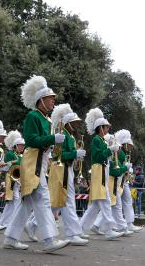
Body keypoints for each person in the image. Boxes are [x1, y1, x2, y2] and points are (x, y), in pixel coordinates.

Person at [2, 75, 69, 252]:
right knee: (43, 199)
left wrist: (53, 142)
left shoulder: (46, 119)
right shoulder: (33, 115)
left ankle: (10, 237)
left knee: (28, 203)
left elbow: (43, 142)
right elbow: (31, 139)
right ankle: (49, 240)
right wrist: (52, 138)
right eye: (50, 98)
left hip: (41, 160)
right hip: (33, 160)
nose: (53, 100)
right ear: (41, 100)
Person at [78, 107, 123, 240]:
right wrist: (110, 150)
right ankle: (109, 230)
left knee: (96, 205)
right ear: (100, 127)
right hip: (99, 171)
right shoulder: (96, 140)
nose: (108, 129)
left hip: (102, 170)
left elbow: (104, 156)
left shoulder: (101, 140)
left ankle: (80, 228)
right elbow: (98, 156)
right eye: (106, 127)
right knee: (105, 200)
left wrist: (111, 150)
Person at [48, 103, 89, 245]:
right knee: (66, 201)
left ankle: (33, 223)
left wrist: (76, 157)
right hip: (61, 169)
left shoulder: (69, 136)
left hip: (68, 169)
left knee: (59, 202)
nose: (76, 125)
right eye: (74, 123)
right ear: (66, 123)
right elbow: (58, 155)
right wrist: (74, 153)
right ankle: (73, 233)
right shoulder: (61, 134)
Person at [114, 129, 142, 233]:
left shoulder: (125, 153)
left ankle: (129, 223)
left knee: (127, 201)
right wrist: (126, 168)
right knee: (114, 203)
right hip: (119, 180)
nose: (131, 147)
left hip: (124, 180)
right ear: (124, 144)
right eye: (129, 144)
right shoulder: (120, 152)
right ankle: (99, 224)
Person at [0, 131, 24, 227]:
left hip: (18, 180)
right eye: (20, 145)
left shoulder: (21, 156)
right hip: (11, 179)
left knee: (11, 203)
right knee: (14, 200)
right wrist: (11, 163)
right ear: (15, 145)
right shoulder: (10, 154)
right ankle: (12, 222)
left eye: (23, 146)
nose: (22, 147)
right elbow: (5, 167)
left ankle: (3, 222)